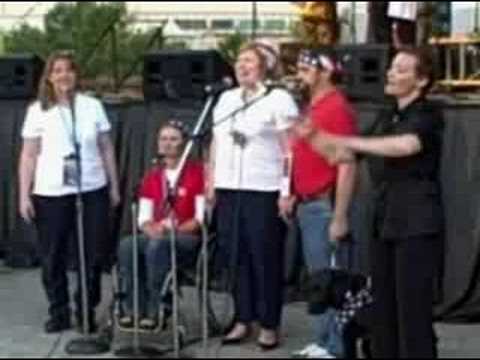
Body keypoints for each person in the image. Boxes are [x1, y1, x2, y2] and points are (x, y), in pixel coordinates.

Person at [297, 47, 444, 358]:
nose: (391, 73)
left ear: (421, 81)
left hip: (416, 222)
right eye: (391, 67)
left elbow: (405, 146)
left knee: (412, 310)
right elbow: (342, 155)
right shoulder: (386, 115)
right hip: (383, 220)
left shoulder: (428, 114)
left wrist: (346, 139)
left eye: (402, 69)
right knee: (382, 308)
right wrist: (312, 136)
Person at [18, 51, 120, 334]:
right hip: (51, 192)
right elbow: (28, 155)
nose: (64, 75)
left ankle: (86, 310)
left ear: (76, 75)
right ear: (49, 77)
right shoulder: (37, 110)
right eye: (58, 70)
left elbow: (106, 147)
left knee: (91, 255)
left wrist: (113, 186)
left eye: (69, 70)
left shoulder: (92, 106)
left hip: (91, 188)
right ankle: (58, 311)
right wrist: (24, 195)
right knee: (53, 255)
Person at [208, 41, 299, 350]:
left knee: (264, 257)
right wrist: (211, 181)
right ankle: (243, 317)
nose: (242, 66)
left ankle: (269, 323)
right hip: (229, 188)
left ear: (264, 67)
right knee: (236, 256)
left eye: (249, 61)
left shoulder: (278, 99)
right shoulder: (225, 99)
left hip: (263, 189)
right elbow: (217, 144)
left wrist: (286, 191)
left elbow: (290, 150)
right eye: (239, 61)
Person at [289, 49, 358, 359]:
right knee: (318, 277)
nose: (300, 72)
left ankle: (337, 346)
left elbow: (346, 163)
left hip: (323, 203)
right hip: (307, 202)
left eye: (307, 67)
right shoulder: (312, 107)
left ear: (326, 72)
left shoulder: (336, 108)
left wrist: (340, 215)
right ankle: (324, 339)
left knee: (330, 278)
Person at [117, 120, 204, 331]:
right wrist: (152, 229)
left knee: (158, 247)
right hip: (157, 234)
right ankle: (134, 308)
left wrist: (171, 231)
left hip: (186, 236)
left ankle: (158, 309)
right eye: (163, 139)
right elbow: (143, 218)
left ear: (184, 144)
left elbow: (200, 219)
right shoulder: (152, 177)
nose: (167, 144)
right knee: (128, 245)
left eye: (173, 139)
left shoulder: (197, 173)